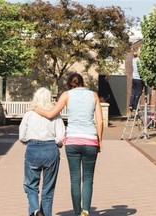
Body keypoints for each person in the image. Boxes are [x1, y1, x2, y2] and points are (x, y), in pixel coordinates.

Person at [32, 73, 103, 216]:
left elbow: (51, 114)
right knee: (88, 178)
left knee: (75, 178)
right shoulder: (94, 95)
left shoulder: (66, 95)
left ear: (70, 84)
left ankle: (77, 213)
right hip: (90, 140)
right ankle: (86, 211)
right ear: (82, 83)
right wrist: (99, 141)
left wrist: (34, 109)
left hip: (72, 141)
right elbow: (100, 121)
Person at [19, 87, 65, 216]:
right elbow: (60, 138)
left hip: (32, 148)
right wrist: (58, 144)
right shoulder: (55, 114)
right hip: (51, 149)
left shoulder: (29, 114)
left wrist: (26, 141)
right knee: (48, 188)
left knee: (31, 185)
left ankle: (34, 210)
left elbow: (22, 136)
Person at [129, 48, 144, 113]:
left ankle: (130, 105)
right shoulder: (140, 61)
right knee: (138, 93)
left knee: (133, 93)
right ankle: (135, 107)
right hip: (139, 79)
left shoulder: (133, 60)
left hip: (134, 79)